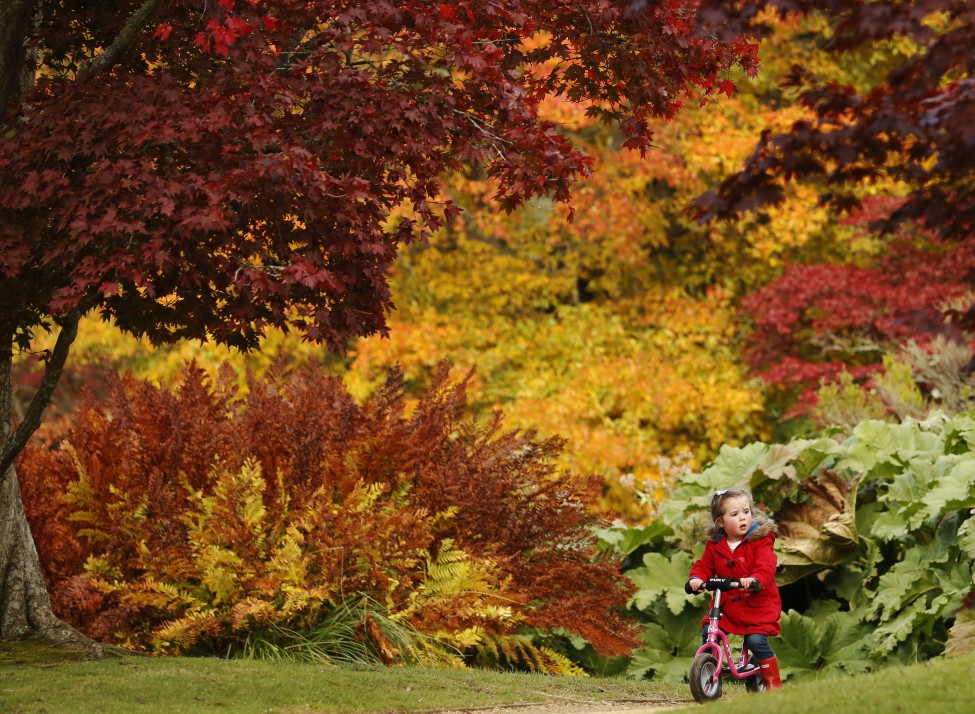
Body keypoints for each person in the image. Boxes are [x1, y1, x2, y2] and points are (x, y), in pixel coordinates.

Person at [687, 488, 783, 689]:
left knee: (756, 641)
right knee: (709, 632)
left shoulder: (760, 540)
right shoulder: (715, 545)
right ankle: (712, 675)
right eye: (735, 514)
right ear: (720, 522)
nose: (743, 518)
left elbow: (766, 565)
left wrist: (755, 578)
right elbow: (704, 565)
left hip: (758, 605)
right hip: (727, 607)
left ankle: (772, 682)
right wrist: (697, 579)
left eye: (746, 512)